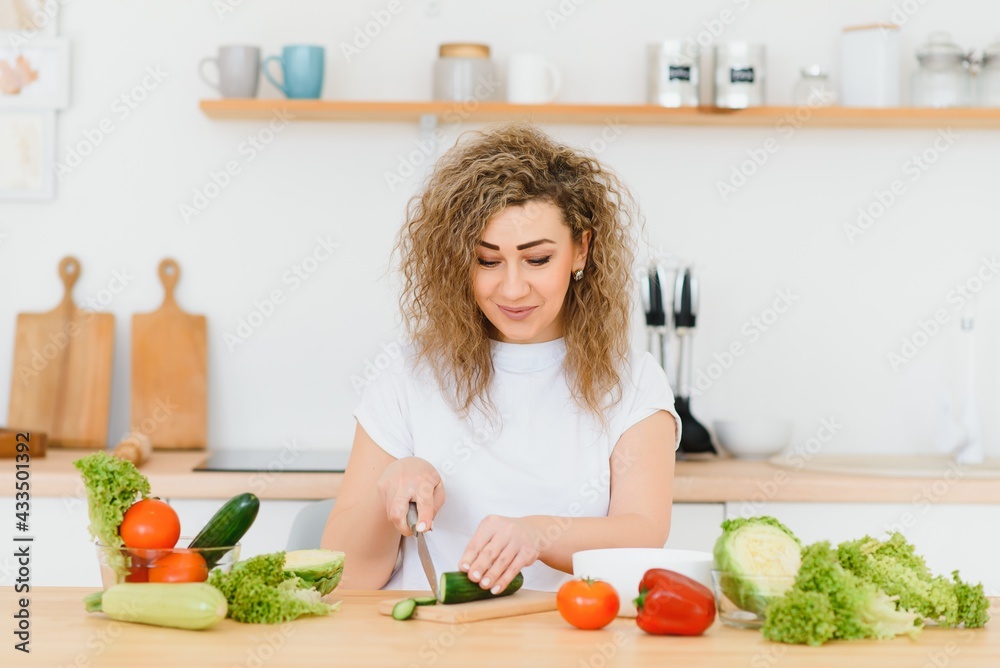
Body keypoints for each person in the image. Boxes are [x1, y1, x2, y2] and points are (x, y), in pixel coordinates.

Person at [322, 124, 680, 594]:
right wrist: (390, 484)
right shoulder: (406, 373)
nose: (512, 288)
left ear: (581, 250)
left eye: (537, 260)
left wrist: (538, 534)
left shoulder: (632, 382)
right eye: (487, 261)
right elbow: (347, 578)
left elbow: (642, 533)